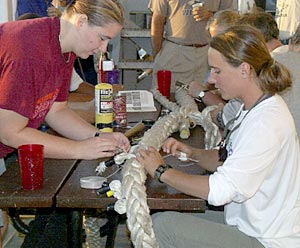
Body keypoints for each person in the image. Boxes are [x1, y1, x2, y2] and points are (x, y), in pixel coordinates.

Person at [137, 25, 300, 248]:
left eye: (217, 70)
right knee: (168, 218)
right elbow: (227, 159)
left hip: (268, 240)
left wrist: (161, 171)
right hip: (250, 225)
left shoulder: (266, 123)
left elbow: (221, 190)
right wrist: (193, 153)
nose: (211, 79)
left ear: (244, 69)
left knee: (162, 227)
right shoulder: (253, 107)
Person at [0, 0, 129, 247]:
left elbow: (56, 110)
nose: (103, 48)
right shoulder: (28, 47)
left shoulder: (64, 49)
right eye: (102, 38)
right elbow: (9, 132)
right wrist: (80, 150)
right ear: (81, 21)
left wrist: (98, 138)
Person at [149, 0, 236, 93]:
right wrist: (158, 54)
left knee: (204, 99)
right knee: (165, 97)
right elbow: (157, 20)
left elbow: (231, 19)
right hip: (175, 52)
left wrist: (211, 15)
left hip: (207, 54)